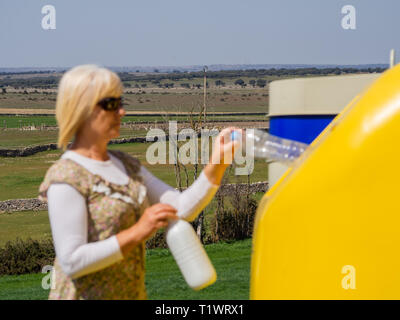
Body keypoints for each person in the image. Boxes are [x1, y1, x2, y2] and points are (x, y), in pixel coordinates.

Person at [38, 65, 240, 300]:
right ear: (83, 109)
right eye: (112, 104)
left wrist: (217, 163)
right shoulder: (66, 176)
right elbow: (72, 261)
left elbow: (182, 208)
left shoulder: (127, 166)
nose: (122, 111)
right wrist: (139, 231)